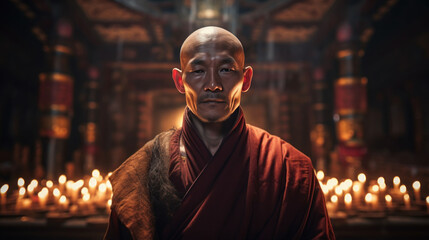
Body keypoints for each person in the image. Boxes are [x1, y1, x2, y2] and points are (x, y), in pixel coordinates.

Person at [104, 26, 335, 240]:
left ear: (245, 79)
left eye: (226, 69)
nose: (212, 84)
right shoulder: (142, 170)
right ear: (179, 80)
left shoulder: (290, 167)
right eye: (198, 70)